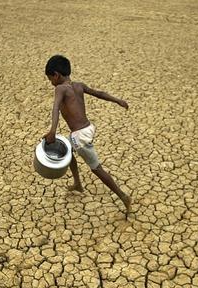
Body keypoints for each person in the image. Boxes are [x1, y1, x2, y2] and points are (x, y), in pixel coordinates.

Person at [43, 54, 132, 216]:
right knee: (68, 151)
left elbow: (55, 108)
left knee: (96, 168)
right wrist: (117, 100)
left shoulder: (60, 88)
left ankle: (123, 196)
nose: (51, 83)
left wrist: (53, 131)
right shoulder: (78, 85)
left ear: (56, 75)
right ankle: (77, 183)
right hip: (88, 128)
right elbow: (99, 93)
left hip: (80, 136)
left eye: (50, 79)